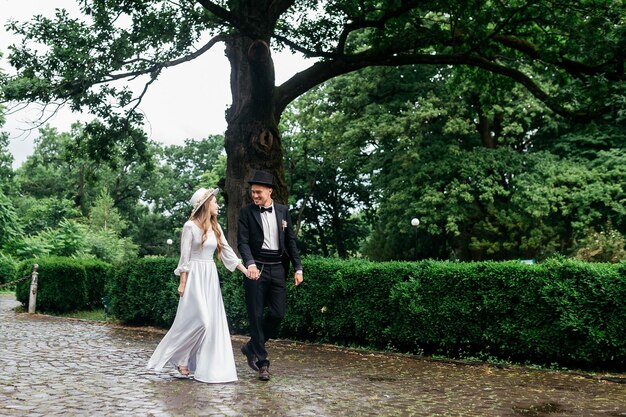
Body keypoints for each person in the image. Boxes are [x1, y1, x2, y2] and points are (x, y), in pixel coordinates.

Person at [147, 187, 249, 383]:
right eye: (215, 202)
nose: (218, 205)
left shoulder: (215, 228)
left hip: (210, 276)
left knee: (209, 324)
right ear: (205, 204)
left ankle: (187, 361)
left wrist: (245, 271)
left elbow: (227, 252)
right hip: (194, 276)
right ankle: (178, 357)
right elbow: (184, 258)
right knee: (201, 321)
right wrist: (182, 283)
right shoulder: (189, 227)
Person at [237, 170, 303, 381]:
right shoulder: (246, 212)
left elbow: (290, 241)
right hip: (256, 268)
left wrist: (298, 267)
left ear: (270, 191)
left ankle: (250, 346)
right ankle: (262, 362)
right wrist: (250, 264)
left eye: (258, 192)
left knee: (278, 314)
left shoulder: (283, 211)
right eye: (252, 192)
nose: (254, 196)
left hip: (277, 267)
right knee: (256, 316)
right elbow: (243, 242)